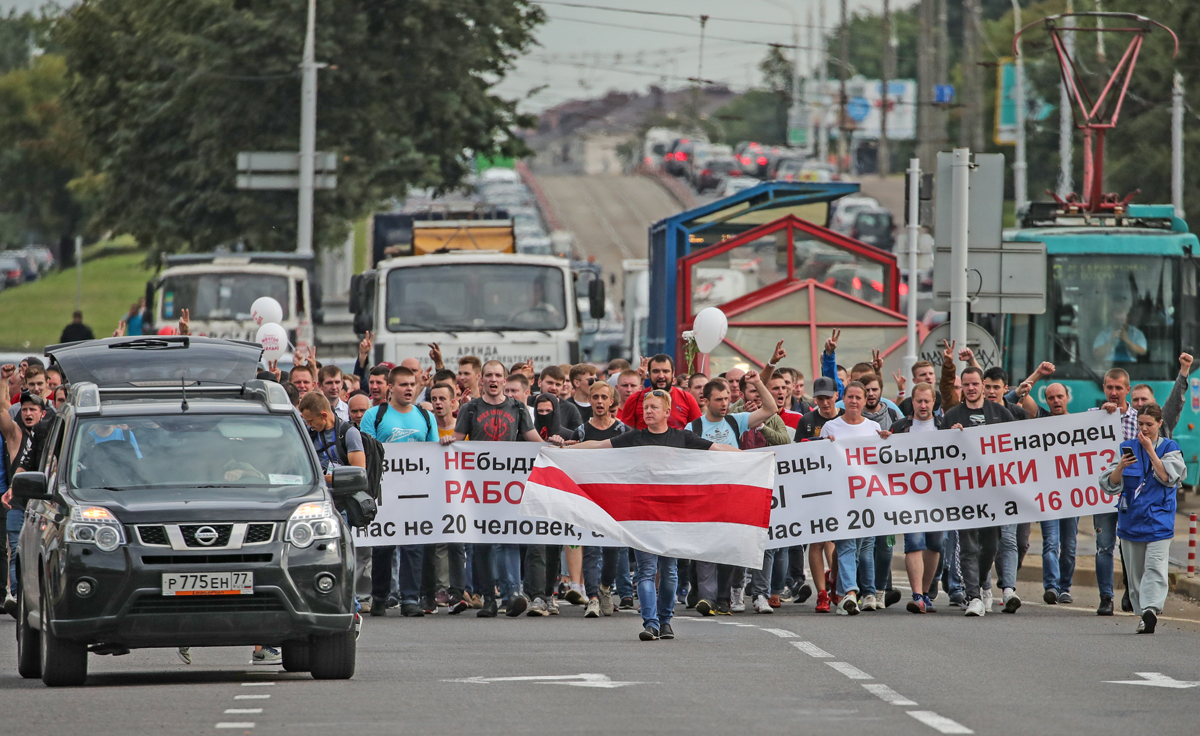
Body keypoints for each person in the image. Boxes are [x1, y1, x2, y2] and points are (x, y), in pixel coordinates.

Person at [564, 389, 735, 642]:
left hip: (673, 515)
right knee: (645, 570)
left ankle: (665, 621)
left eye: (654, 407)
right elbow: (600, 446)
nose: (648, 412)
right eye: (646, 408)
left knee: (669, 571)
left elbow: (717, 449)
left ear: (667, 412)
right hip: (642, 513)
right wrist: (570, 449)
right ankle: (651, 623)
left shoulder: (682, 437)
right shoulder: (635, 438)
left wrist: (756, 458)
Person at [443, 361, 541, 618]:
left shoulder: (518, 408)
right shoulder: (471, 408)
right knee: (482, 544)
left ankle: (512, 596)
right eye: (489, 376)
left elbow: (532, 439)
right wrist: (447, 440)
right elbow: (458, 436)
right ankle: (488, 599)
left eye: (498, 375)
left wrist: (554, 446)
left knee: (509, 538)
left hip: (508, 486)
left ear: (504, 379)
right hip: (477, 487)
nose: (494, 380)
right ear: (482, 379)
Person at [1099, 404, 1185, 634]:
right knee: (1135, 575)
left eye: (1149, 424)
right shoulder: (1126, 448)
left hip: (1159, 521)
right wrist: (1120, 466)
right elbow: (1110, 483)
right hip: (1131, 521)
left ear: (1159, 424)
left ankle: (1151, 610)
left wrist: (1150, 451)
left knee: (1155, 567)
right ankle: (1142, 613)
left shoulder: (1170, 448)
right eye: (1140, 424)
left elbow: (1168, 476)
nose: (1144, 429)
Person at [360, 366, 439, 618]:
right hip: (384, 492)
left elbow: (434, 452)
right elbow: (366, 451)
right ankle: (380, 596)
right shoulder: (374, 415)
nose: (409, 389)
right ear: (390, 388)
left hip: (416, 492)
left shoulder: (426, 417)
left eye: (412, 384)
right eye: (403, 384)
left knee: (413, 546)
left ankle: (409, 598)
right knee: (383, 545)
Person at [941, 366, 1014, 618]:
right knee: (969, 546)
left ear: (983, 385)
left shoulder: (1001, 413)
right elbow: (937, 456)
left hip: (993, 494)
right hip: (964, 494)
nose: (971, 388)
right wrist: (949, 439)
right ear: (961, 387)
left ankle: (984, 582)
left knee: (991, 545)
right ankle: (973, 596)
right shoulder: (951, 416)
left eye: (974, 384)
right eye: (966, 384)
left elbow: (1018, 446)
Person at [821, 381, 889, 616]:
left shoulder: (872, 428)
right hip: (840, 497)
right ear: (843, 398)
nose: (854, 401)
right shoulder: (830, 427)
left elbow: (882, 462)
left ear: (863, 401)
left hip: (866, 498)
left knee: (859, 548)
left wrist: (887, 442)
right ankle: (851, 592)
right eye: (850, 397)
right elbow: (819, 462)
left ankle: (841, 597)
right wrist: (824, 447)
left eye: (858, 397)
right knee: (846, 544)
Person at [571, 381, 631, 618]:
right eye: (594, 397)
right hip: (589, 498)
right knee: (591, 548)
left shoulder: (623, 431)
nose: (598, 401)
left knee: (613, 551)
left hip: (615, 500)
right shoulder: (582, 431)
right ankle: (593, 598)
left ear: (611, 402)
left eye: (603, 397)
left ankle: (605, 588)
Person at [889, 383, 943, 613]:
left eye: (926, 401)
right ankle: (918, 594)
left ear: (933, 402)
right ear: (912, 402)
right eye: (918, 401)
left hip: (939, 498)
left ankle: (927, 592)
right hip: (909, 498)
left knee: (935, 543)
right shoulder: (900, 428)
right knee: (914, 542)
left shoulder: (946, 427)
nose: (922, 405)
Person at [1094, 367, 1139, 615]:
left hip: (1130, 494)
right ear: (1104, 388)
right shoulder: (1093, 416)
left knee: (1130, 545)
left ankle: (1131, 593)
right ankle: (1105, 597)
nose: (1113, 392)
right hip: (1102, 494)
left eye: (1118, 388)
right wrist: (1100, 416)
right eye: (1109, 387)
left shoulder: (1139, 419)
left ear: (1127, 390)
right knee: (1104, 545)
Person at [617, 354, 702, 431]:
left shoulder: (687, 399)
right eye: (656, 371)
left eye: (665, 371)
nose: (661, 376)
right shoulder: (634, 399)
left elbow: (698, 431)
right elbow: (625, 434)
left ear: (673, 374)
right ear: (649, 374)